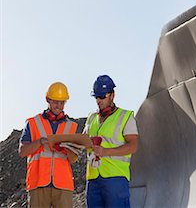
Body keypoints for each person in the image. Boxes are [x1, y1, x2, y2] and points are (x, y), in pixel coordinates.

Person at [18, 82, 78, 208]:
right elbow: (22, 151)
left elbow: (73, 159)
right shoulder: (33, 123)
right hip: (38, 183)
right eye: (56, 101)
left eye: (62, 102)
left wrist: (67, 149)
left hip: (63, 185)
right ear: (48, 100)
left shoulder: (71, 127)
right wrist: (40, 142)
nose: (59, 105)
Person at [84, 75, 139, 208]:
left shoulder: (125, 117)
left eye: (102, 97)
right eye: (96, 97)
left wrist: (105, 151)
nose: (99, 101)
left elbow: (133, 146)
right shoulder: (91, 118)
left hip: (116, 178)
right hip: (93, 179)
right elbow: (83, 140)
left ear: (112, 95)